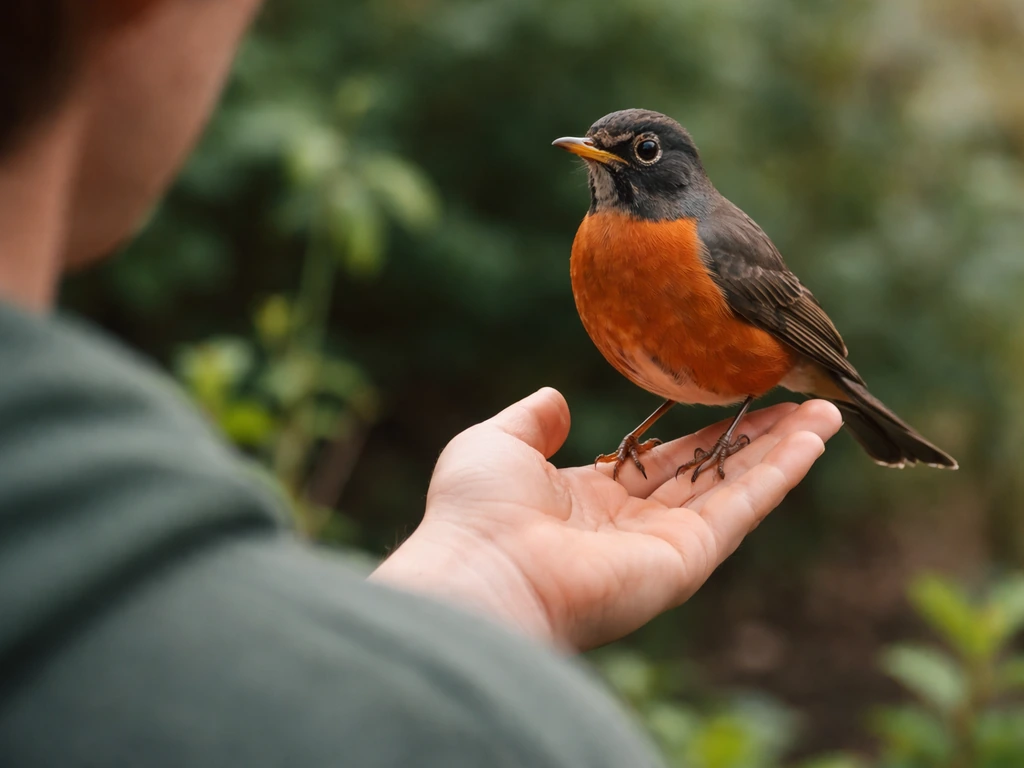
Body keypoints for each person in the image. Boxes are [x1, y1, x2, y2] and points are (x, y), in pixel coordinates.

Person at [0, 1, 842, 765]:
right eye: (604, 148)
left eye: (638, 153)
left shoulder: (711, 240)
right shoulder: (507, 742)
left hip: (751, 376)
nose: (604, 159)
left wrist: (484, 581)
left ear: (678, 169)